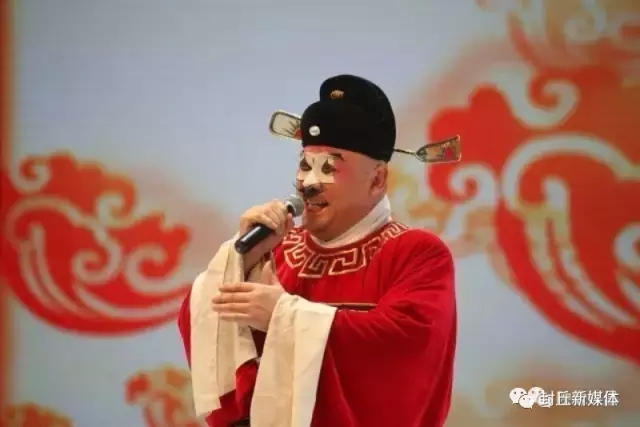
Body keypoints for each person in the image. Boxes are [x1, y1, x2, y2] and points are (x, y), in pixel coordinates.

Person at [177, 75, 457, 427]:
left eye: (328, 168)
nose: (307, 183)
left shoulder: (417, 253)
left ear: (377, 180)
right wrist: (239, 259)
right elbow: (200, 320)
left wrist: (283, 315)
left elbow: (402, 343)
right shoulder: (278, 250)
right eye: (304, 165)